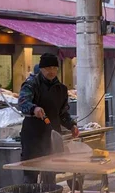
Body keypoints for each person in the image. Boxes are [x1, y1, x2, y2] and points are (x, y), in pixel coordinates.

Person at [18, 53, 79, 184]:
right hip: (32, 137)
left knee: (51, 171)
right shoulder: (31, 84)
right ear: (41, 69)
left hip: (52, 136)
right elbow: (23, 102)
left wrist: (72, 125)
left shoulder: (61, 89)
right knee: (31, 172)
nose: (51, 71)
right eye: (48, 68)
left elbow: (62, 113)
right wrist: (34, 108)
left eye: (54, 68)